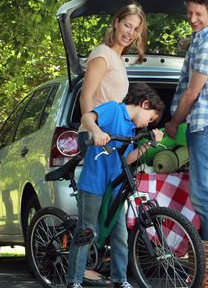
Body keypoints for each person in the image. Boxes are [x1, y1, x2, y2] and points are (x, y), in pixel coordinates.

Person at [67, 83, 165, 288]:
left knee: (120, 234)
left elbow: (128, 159)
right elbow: (87, 117)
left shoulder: (131, 129)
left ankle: (120, 279)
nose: (147, 124)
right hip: (94, 181)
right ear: (144, 104)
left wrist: (147, 144)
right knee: (86, 231)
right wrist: (96, 131)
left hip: (116, 186)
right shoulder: (113, 109)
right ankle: (74, 281)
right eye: (151, 118)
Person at [76, 3, 147, 286]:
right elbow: (86, 97)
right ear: (116, 22)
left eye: (136, 29)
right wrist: (94, 130)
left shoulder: (118, 59)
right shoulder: (102, 56)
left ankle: (120, 279)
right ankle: (75, 277)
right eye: (128, 25)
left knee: (117, 210)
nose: (130, 32)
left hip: (113, 140)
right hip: (96, 138)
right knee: (91, 219)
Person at [164, 0, 208, 241]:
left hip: (206, 126)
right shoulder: (201, 39)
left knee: (202, 194)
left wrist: (173, 123)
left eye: (199, 14)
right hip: (206, 126)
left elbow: (192, 93)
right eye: (190, 12)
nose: (193, 18)